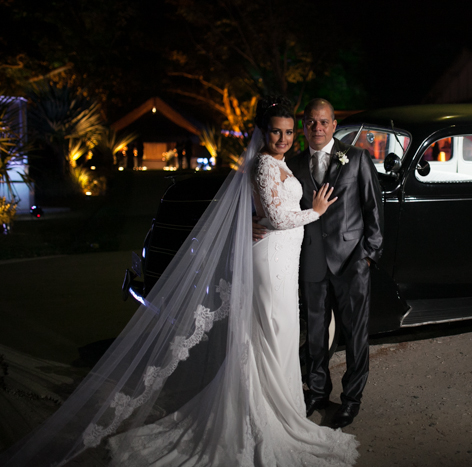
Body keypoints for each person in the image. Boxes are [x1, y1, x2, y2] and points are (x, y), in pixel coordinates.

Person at [0, 97, 360, 466]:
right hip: (269, 263)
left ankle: (282, 410)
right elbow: (277, 217)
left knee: (280, 335)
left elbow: (264, 213)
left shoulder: (283, 163)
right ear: (262, 132)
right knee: (271, 331)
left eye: (287, 132)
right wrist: (313, 212)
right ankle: (262, 415)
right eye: (275, 131)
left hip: (284, 259)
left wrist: (266, 220)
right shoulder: (264, 166)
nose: (282, 138)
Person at [287, 98, 383, 428]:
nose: (317, 127)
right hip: (311, 261)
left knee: (355, 334)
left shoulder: (356, 158)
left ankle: (351, 399)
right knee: (315, 334)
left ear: (334, 124)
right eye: (311, 122)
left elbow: (373, 208)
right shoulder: (294, 163)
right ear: (304, 126)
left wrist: (368, 255)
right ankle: (316, 391)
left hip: (352, 262)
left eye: (323, 122)